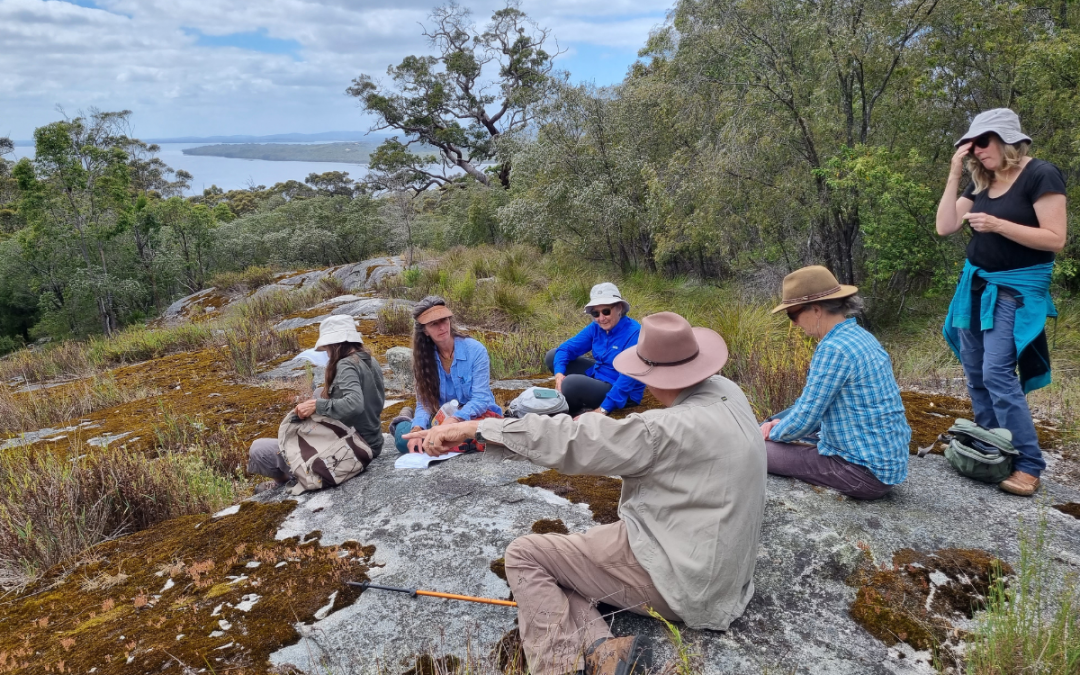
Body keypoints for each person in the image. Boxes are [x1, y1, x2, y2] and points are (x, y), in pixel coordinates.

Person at [406, 312, 766, 675]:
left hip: (680, 578)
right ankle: (603, 650)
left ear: (651, 374)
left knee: (525, 556)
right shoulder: (729, 393)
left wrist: (475, 428)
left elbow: (573, 441)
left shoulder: (663, 429)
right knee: (566, 567)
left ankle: (557, 667)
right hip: (720, 571)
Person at [935, 108, 1067, 497]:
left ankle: (1029, 463)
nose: (976, 150)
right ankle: (993, 448)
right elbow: (945, 227)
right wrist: (955, 172)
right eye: (970, 144)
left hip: (1014, 289)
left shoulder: (1040, 174)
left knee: (996, 372)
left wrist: (997, 225)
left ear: (1006, 139)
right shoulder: (980, 182)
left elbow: (1055, 239)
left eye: (982, 141)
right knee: (975, 370)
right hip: (974, 286)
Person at [760, 266, 910, 500]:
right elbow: (812, 409)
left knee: (753, 449)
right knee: (771, 430)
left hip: (860, 472)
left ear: (816, 309)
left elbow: (806, 418)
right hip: (883, 464)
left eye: (793, 314)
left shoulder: (833, 348)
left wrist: (770, 433)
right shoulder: (860, 336)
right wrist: (776, 424)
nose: (794, 324)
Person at [247, 314, 385, 492]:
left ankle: (286, 481)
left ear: (335, 345)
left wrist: (317, 406)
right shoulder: (368, 359)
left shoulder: (345, 365)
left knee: (259, 450)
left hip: (352, 449)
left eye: (327, 349)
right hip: (373, 441)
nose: (327, 354)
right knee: (319, 392)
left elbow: (355, 404)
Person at [391, 296, 502, 454]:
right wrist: (417, 428)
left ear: (450, 320)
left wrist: (455, 420)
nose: (441, 327)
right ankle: (407, 420)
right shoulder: (423, 358)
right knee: (406, 440)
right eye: (433, 324)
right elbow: (425, 403)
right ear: (425, 330)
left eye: (444, 320)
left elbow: (481, 399)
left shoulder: (475, 350)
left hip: (473, 418)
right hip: (440, 421)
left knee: (478, 436)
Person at [543, 282, 646, 416]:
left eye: (606, 311)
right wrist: (558, 374)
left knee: (570, 384)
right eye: (595, 313)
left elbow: (628, 377)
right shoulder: (596, 327)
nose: (601, 318)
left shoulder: (634, 333)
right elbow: (565, 349)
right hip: (599, 375)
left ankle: (567, 407)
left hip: (624, 393)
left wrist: (603, 409)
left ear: (619, 308)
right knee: (552, 356)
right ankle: (571, 400)